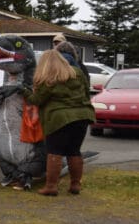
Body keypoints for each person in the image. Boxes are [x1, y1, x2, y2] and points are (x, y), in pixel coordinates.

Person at [20, 50, 95, 196]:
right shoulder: (77, 73)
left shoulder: (48, 78)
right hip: (82, 116)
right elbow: (86, 92)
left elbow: (37, 100)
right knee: (74, 151)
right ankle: (75, 185)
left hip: (59, 118)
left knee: (55, 151)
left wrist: (24, 91)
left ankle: (51, 186)